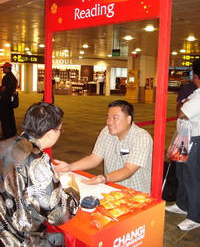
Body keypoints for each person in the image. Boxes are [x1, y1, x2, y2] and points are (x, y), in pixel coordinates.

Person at [0, 102, 80, 246]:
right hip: (22, 239)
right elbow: (59, 215)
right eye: (60, 130)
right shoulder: (37, 159)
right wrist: (71, 188)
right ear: (50, 133)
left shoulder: (4, 144)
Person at [54, 100, 153, 194]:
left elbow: (129, 170)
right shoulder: (106, 131)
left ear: (128, 119)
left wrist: (105, 178)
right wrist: (70, 167)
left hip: (135, 193)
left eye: (115, 118)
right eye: (108, 117)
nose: (109, 122)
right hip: (110, 188)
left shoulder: (141, 138)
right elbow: (94, 158)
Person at [165, 59, 200, 231]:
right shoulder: (196, 92)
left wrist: (182, 104)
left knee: (192, 177)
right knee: (181, 172)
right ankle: (182, 204)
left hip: (194, 139)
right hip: (185, 138)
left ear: (196, 74)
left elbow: (181, 112)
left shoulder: (199, 95)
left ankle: (195, 216)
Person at [0, 62, 18, 139]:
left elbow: (3, 89)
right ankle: (13, 132)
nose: (2, 69)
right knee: (10, 116)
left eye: (4, 68)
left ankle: (6, 134)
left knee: (4, 117)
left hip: (4, 100)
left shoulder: (6, 77)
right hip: (10, 100)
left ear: (7, 68)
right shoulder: (13, 77)